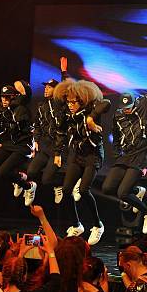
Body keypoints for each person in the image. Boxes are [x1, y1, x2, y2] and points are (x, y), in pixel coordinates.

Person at [102, 87, 147, 235]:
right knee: (107, 188)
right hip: (124, 154)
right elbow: (115, 134)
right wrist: (116, 154)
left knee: (122, 193)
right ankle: (137, 191)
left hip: (140, 155)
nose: (126, 111)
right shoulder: (118, 114)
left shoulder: (143, 105)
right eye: (123, 108)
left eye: (129, 108)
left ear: (134, 104)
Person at [53, 80, 111, 244]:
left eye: (73, 102)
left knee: (84, 190)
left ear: (82, 101)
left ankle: (98, 225)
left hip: (93, 155)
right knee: (66, 191)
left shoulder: (92, 110)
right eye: (68, 102)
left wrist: (91, 119)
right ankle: (76, 225)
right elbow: (60, 132)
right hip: (77, 155)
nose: (70, 105)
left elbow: (106, 102)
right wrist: (57, 153)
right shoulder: (68, 114)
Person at [27, 57, 75, 204]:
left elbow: (67, 88)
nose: (46, 88)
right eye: (45, 86)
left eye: (50, 86)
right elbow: (37, 124)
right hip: (45, 146)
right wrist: (35, 140)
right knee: (31, 172)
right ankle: (29, 186)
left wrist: (64, 72)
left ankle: (58, 186)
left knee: (47, 179)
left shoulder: (59, 103)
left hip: (57, 148)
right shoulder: (42, 106)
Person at [4, 205, 61, 292]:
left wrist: (20, 253)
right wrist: (49, 252)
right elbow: (55, 279)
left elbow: (15, 270)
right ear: (23, 275)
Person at [0, 82, 36, 206]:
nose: (4, 100)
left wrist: (20, 88)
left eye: (7, 97)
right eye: (2, 97)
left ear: (14, 97)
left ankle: (29, 186)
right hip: (9, 144)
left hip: (23, 145)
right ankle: (18, 179)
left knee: (3, 172)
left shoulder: (21, 107)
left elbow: (26, 94)